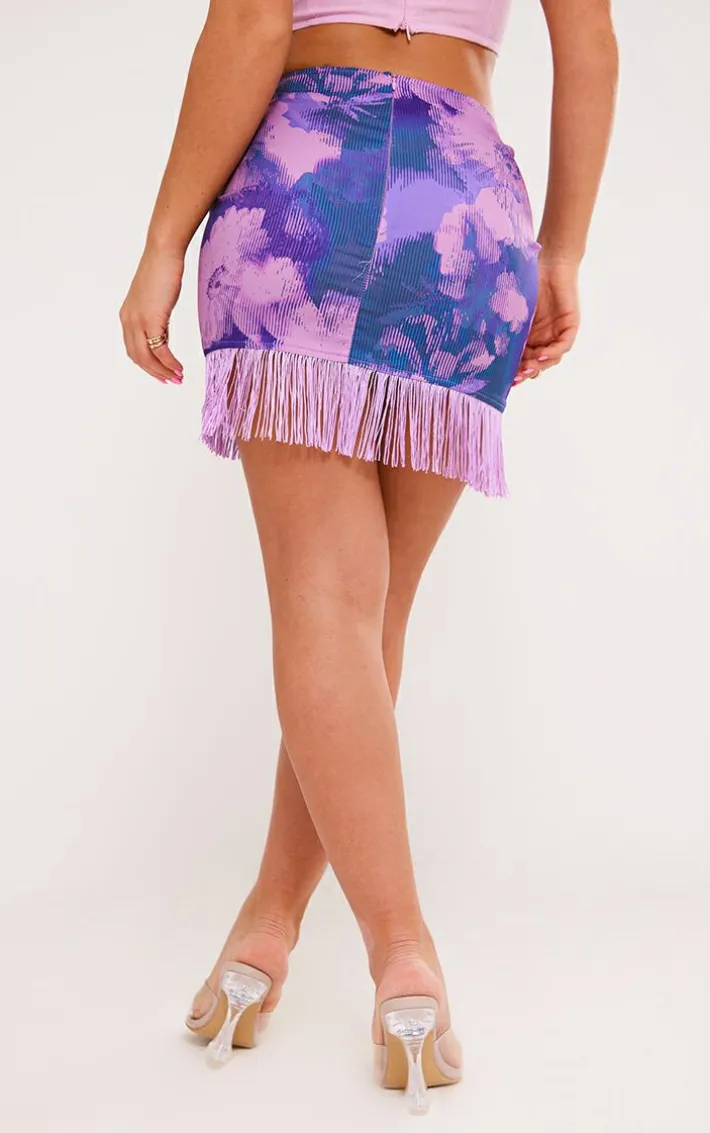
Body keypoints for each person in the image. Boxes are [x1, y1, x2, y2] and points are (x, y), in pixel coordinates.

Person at [120, 0, 618, 1114]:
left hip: (307, 182)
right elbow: (587, 41)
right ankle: (267, 927)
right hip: (466, 208)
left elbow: (253, 24)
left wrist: (162, 242)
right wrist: (564, 250)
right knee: (365, 619)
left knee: (325, 607)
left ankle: (403, 950)